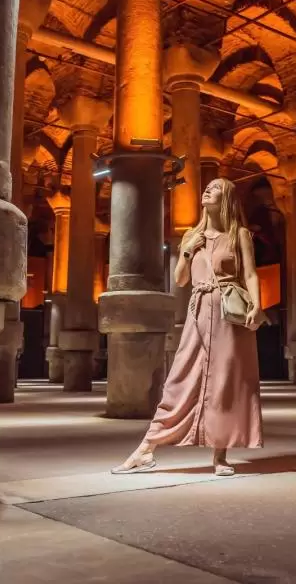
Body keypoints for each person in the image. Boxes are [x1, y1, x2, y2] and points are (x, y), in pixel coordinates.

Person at [112, 177, 264, 476]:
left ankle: (220, 456)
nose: (207, 190)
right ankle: (146, 449)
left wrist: (258, 305)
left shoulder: (239, 235)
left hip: (228, 315)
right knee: (180, 379)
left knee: (225, 383)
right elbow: (181, 279)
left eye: (215, 188)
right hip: (198, 314)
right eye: (206, 187)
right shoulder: (192, 236)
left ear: (227, 199)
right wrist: (186, 251)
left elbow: (251, 275)